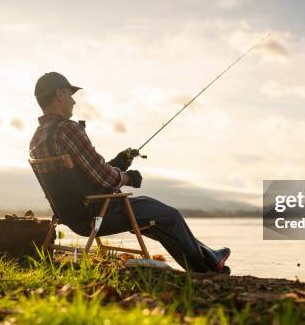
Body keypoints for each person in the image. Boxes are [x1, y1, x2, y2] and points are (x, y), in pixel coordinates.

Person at [29, 72, 230, 273]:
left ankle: (210, 258)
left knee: (156, 220)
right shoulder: (68, 129)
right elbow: (104, 177)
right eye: (70, 95)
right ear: (59, 94)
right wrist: (129, 178)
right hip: (97, 213)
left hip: (71, 215)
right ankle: (203, 270)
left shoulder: (36, 139)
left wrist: (119, 162)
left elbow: (83, 176)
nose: (73, 101)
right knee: (170, 216)